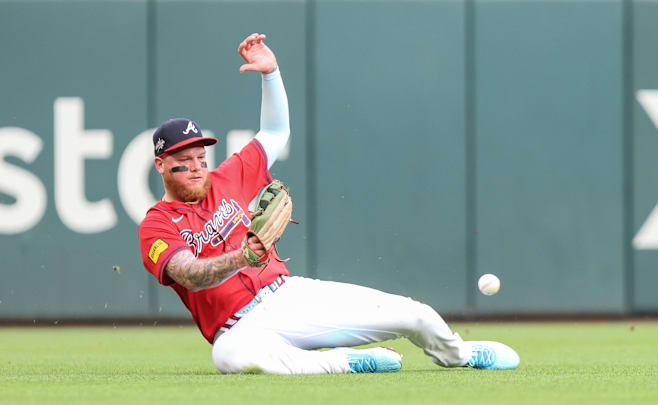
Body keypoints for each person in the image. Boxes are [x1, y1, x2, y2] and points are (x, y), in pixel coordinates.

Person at [138, 33, 520, 375]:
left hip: (287, 295)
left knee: (413, 315)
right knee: (229, 357)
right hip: (238, 327)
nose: (196, 167)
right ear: (160, 165)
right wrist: (240, 257)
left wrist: (271, 75)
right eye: (182, 161)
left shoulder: (229, 177)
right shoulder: (156, 224)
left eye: (201, 158)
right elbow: (186, 272)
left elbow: (275, 131)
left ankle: (459, 354)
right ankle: (345, 363)